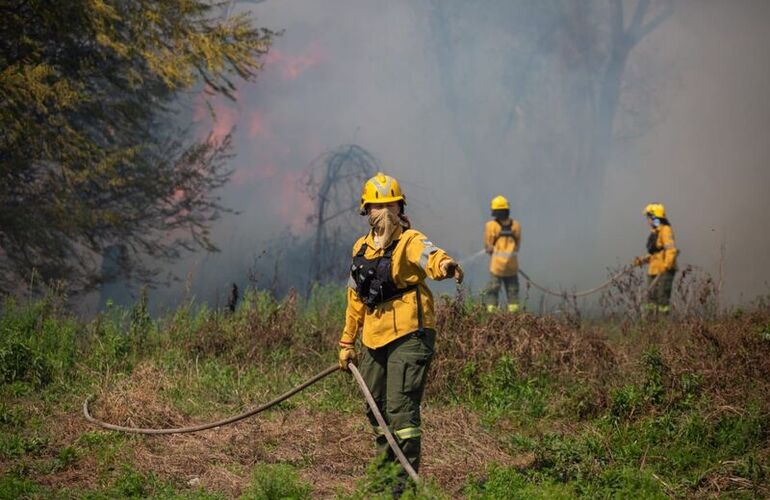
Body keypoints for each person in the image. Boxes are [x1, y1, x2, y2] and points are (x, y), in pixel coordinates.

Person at [338, 172, 463, 490]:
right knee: (376, 408)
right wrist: (347, 341)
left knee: (400, 409)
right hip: (374, 337)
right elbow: (355, 298)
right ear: (367, 211)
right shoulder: (362, 249)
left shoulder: (410, 241)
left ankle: (401, 487)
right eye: (378, 206)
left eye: (391, 205)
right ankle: (384, 477)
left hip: (409, 334)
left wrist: (446, 266)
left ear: (399, 209)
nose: (385, 212)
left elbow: (430, 255)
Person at [634, 203, 678, 314]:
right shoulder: (655, 232)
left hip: (664, 271)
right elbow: (656, 254)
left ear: (655, 218)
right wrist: (642, 260)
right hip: (653, 269)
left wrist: (666, 266)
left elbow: (670, 250)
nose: (648, 220)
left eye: (649, 217)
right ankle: (650, 326)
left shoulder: (665, 230)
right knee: (650, 299)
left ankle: (663, 325)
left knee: (662, 300)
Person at [481, 195, 522, 313]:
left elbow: (488, 246)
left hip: (497, 268)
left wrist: (491, 248)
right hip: (512, 267)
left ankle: (492, 315)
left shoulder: (491, 226)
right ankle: (513, 316)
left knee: (492, 291)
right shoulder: (516, 226)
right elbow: (517, 246)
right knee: (513, 292)